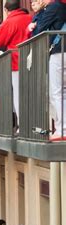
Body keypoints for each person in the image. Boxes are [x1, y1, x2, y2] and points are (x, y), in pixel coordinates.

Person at [0, 0, 32, 126]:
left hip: (16, 61)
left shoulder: (9, 21)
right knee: (32, 92)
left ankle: (23, 125)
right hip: (32, 58)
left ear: (6, 9)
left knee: (18, 95)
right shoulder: (30, 17)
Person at [29, 0, 66, 140]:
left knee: (56, 91)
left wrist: (33, 25)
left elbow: (40, 29)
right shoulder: (62, 6)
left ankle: (62, 128)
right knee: (63, 91)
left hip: (58, 52)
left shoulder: (53, 7)